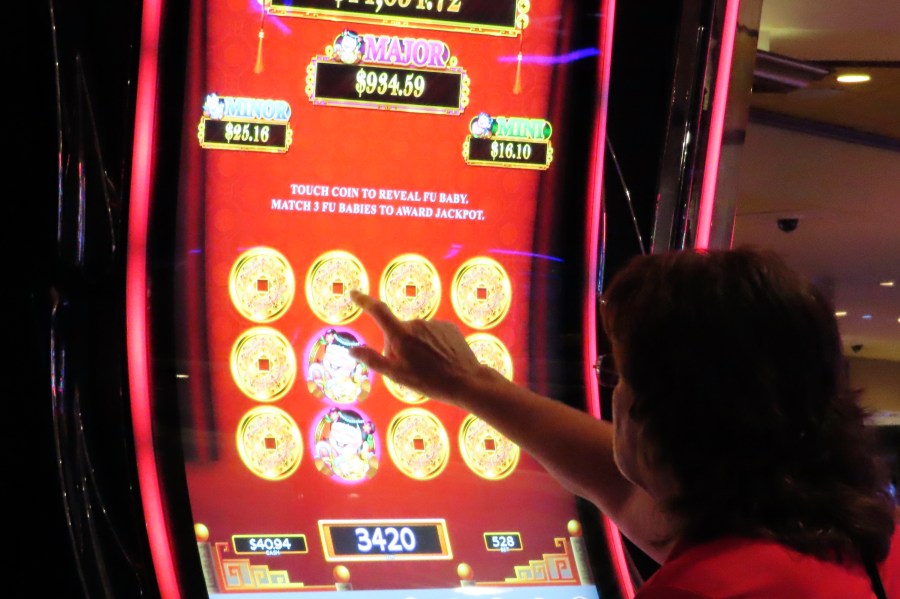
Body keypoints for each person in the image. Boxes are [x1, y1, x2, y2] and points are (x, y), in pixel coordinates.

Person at [348, 246, 899, 598]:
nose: (618, 397)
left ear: (672, 414)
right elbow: (622, 488)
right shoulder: (868, 543)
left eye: (622, 374)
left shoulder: (700, 592)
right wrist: (467, 384)